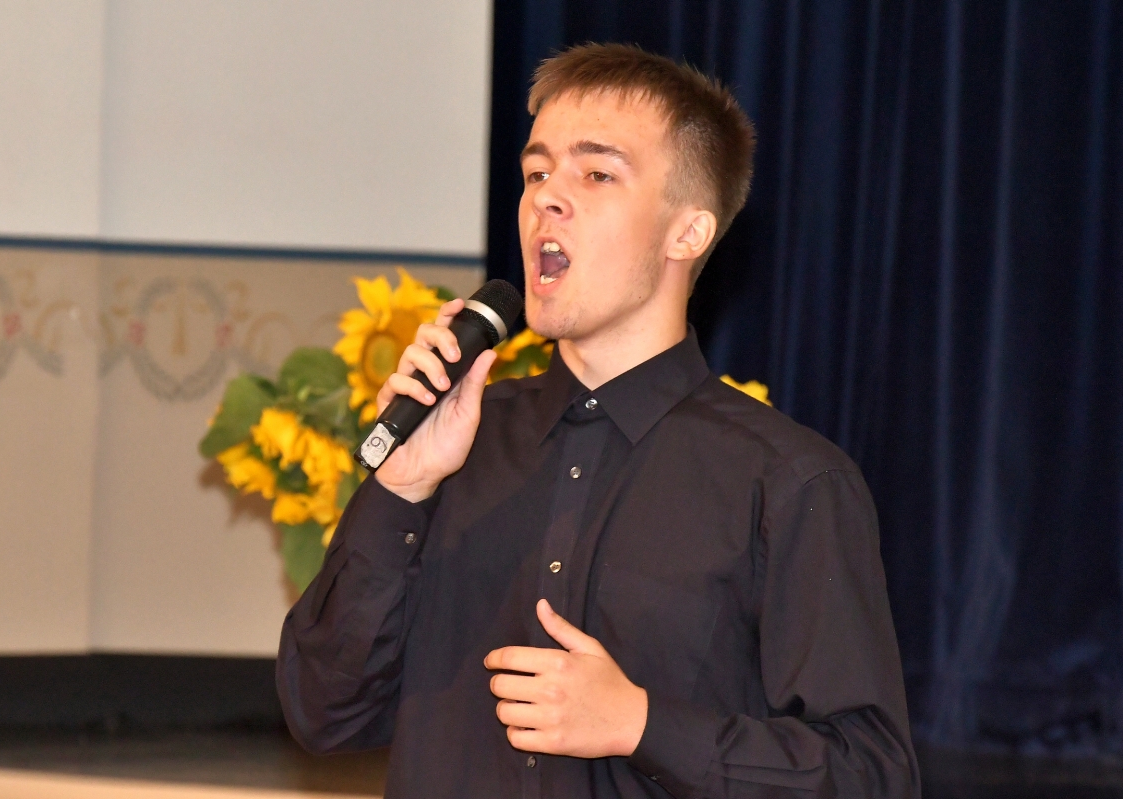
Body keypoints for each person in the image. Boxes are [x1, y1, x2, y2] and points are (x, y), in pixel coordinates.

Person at [277, 43, 920, 798]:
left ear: (688, 233)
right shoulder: (454, 445)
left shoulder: (787, 483)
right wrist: (403, 490)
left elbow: (869, 774)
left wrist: (642, 724)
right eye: (536, 173)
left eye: (596, 174)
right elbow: (324, 713)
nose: (547, 198)